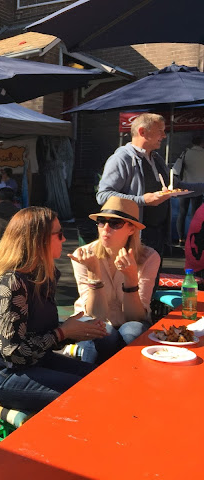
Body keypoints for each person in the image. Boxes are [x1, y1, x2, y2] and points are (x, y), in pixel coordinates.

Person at [0, 206, 107, 412]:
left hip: (31, 362)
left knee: (104, 379)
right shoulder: (11, 282)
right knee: (90, 395)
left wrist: (73, 331)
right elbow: (13, 352)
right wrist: (63, 332)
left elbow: (36, 334)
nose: (63, 238)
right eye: (59, 234)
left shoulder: (43, 274)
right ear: (38, 240)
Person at [97, 113, 204, 259]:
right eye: (160, 130)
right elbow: (103, 195)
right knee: (134, 281)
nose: (164, 136)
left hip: (158, 235)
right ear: (142, 132)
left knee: (153, 279)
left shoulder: (156, 158)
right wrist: (142, 200)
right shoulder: (121, 159)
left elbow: (178, 187)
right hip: (133, 238)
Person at [69, 197, 160, 364]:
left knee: (133, 330)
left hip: (129, 322)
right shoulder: (83, 254)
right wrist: (94, 273)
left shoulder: (149, 257)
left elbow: (136, 317)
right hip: (93, 321)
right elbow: (96, 315)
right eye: (101, 222)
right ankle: (87, 383)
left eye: (115, 223)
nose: (106, 229)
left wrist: (131, 277)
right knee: (104, 334)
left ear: (131, 229)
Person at [174, 136, 204, 245]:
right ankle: (194, 238)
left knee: (182, 212)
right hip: (199, 187)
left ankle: (181, 238)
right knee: (195, 214)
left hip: (184, 186)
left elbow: (176, 169)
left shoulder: (186, 153)